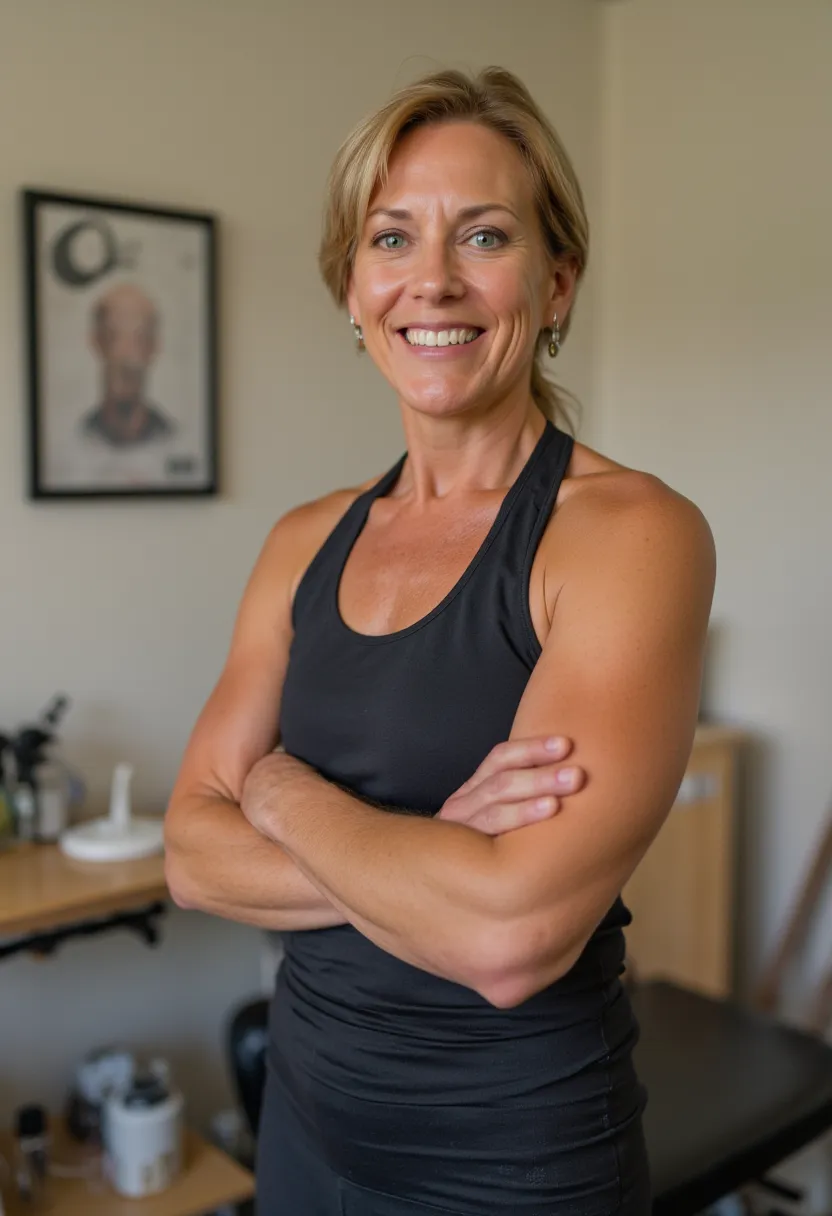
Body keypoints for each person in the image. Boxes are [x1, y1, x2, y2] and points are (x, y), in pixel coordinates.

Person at [164, 66, 715, 1215]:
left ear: (556, 284)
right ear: (352, 293)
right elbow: (187, 856)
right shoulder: (302, 539)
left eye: (484, 235)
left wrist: (276, 789)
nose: (432, 279)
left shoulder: (628, 534)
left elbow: (509, 935)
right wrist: (427, 856)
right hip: (306, 1131)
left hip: (515, 1162)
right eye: (392, 237)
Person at [81, 283, 175, 447]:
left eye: (138, 339)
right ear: (96, 342)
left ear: (154, 347)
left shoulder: (171, 437)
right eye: (114, 337)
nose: (125, 354)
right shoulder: (80, 436)